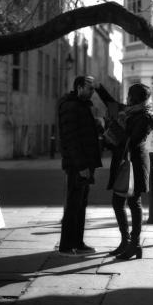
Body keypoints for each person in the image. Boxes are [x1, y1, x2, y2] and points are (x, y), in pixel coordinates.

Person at [95, 82, 153, 260]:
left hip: (135, 163)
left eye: (129, 95)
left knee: (134, 203)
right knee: (118, 202)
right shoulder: (129, 111)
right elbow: (109, 102)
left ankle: (135, 244)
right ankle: (125, 241)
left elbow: (132, 140)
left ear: (133, 97)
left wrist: (111, 129)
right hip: (124, 161)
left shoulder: (145, 116)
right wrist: (98, 87)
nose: (126, 98)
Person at [57, 75, 102, 257]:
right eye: (90, 89)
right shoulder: (70, 106)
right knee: (73, 205)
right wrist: (82, 165)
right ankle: (66, 246)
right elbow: (71, 139)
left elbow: (84, 134)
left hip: (85, 163)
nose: (92, 92)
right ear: (79, 87)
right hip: (77, 165)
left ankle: (78, 242)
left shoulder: (83, 105)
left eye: (93, 89)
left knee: (81, 205)